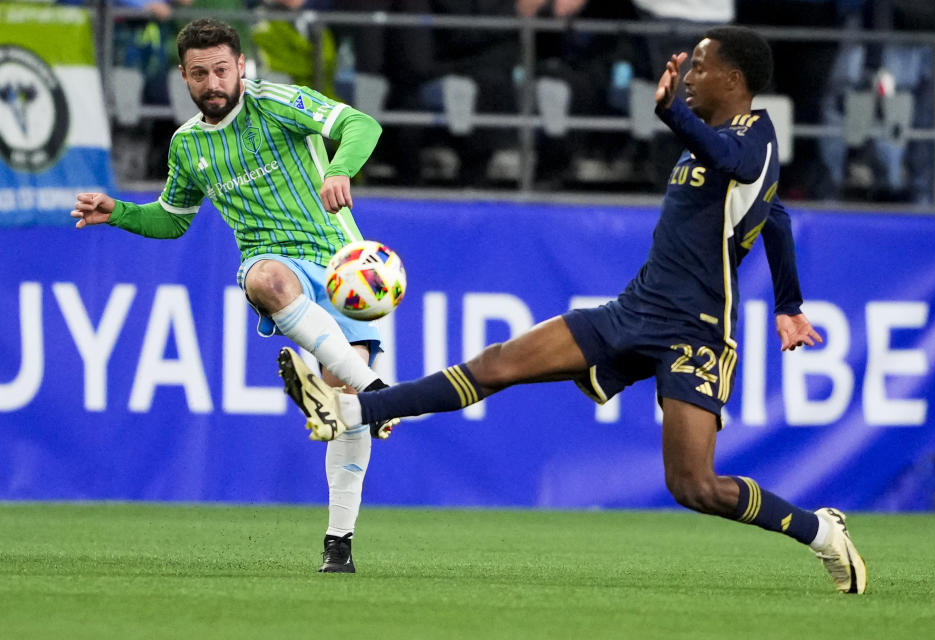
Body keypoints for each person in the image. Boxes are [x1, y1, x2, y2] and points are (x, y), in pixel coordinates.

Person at [281, 26, 868, 594]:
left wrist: (674, 116)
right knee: (499, 363)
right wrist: (789, 304)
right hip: (634, 310)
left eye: (702, 65)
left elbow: (745, 174)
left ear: (734, 78)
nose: (689, 76)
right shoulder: (709, 136)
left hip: (696, 332)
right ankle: (355, 408)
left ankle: (820, 531)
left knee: (695, 486)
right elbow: (777, 218)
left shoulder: (752, 135)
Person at [70, 17, 395, 574]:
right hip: (269, 260)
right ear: (184, 77)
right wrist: (118, 212)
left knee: (348, 412)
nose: (213, 81)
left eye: (222, 69)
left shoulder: (277, 102)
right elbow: (172, 221)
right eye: (200, 74)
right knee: (270, 282)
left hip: (341, 262)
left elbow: (361, 123)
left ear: (240, 66)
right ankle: (374, 389)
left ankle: (338, 539)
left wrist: (340, 169)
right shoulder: (188, 145)